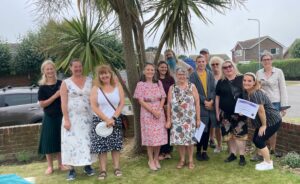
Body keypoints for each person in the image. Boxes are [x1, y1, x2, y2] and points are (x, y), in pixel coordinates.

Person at [60, 59, 96, 180]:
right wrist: (66, 119)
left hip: (87, 117)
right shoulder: (66, 83)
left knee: (87, 142)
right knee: (71, 143)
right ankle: (71, 170)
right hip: (72, 118)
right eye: (75, 67)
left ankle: (88, 166)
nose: (78, 69)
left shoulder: (90, 81)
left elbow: (95, 98)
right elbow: (63, 103)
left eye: (80, 66)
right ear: (70, 68)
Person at [90, 65, 125, 180]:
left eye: (106, 73)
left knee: (115, 146)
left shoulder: (117, 86)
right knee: (102, 147)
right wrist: (106, 119)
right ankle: (103, 170)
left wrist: (113, 118)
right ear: (99, 76)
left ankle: (116, 168)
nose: (104, 75)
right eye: (102, 74)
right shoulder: (96, 88)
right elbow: (94, 106)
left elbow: (121, 103)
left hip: (115, 119)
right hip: (100, 121)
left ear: (110, 74)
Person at [243, 72, 282, 171]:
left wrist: (264, 125)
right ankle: (266, 160)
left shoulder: (255, 93)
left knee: (259, 140)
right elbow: (253, 109)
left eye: (249, 81)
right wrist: (243, 112)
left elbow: (261, 110)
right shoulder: (250, 92)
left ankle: (268, 163)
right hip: (265, 121)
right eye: (244, 80)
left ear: (254, 82)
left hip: (272, 121)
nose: (246, 82)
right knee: (256, 139)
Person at [134, 63, 168, 171]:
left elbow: (163, 97)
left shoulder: (158, 83)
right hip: (147, 113)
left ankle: (156, 158)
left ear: (154, 71)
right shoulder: (140, 84)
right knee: (150, 138)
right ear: (144, 71)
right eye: (148, 70)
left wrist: (159, 109)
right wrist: (153, 111)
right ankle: (150, 159)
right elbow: (140, 100)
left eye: (152, 70)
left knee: (159, 137)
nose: (150, 71)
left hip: (159, 112)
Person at [255, 51, 288, 159]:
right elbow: (256, 87)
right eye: (264, 60)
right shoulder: (258, 73)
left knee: (273, 127)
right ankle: (260, 152)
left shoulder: (278, 72)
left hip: (275, 103)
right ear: (261, 61)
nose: (267, 61)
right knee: (261, 126)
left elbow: (283, 88)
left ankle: (272, 149)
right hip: (262, 103)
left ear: (271, 60)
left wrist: (284, 106)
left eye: (268, 59)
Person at [37, 60, 68, 175]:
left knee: (60, 140)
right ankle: (50, 166)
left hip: (61, 116)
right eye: (47, 69)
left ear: (55, 70)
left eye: (51, 69)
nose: (50, 71)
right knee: (48, 142)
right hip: (49, 117)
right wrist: (55, 96)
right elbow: (42, 104)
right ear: (44, 71)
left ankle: (61, 164)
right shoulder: (42, 87)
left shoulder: (62, 83)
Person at [166, 67, 200, 169]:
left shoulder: (192, 86)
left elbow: (197, 103)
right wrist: (168, 119)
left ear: (187, 75)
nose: (181, 76)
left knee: (189, 141)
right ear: (176, 75)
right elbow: (168, 104)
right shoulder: (172, 88)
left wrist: (198, 119)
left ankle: (190, 160)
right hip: (176, 119)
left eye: (183, 74)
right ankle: (182, 160)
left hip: (190, 119)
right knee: (179, 141)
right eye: (179, 74)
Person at [215, 60, 248, 166]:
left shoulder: (242, 79)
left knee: (240, 135)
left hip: (240, 114)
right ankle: (233, 154)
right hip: (225, 114)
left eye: (230, 66)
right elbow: (217, 98)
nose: (228, 68)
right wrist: (217, 112)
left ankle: (242, 156)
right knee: (229, 135)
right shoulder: (221, 82)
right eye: (225, 67)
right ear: (222, 70)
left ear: (234, 67)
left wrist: (246, 110)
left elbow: (249, 94)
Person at [189, 55, 216, 161]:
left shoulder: (210, 74)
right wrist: (204, 100)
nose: (201, 63)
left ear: (206, 62)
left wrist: (211, 101)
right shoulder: (193, 76)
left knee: (207, 129)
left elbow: (214, 89)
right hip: (199, 105)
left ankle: (205, 151)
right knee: (200, 129)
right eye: (199, 62)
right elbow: (192, 90)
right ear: (196, 63)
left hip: (210, 106)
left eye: (203, 61)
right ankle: (198, 151)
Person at [156, 61, 175, 160]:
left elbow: (173, 92)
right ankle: (160, 151)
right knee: (160, 129)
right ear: (158, 68)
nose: (164, 69)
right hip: (158, 107)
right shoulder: (155, 80)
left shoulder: (170, 79)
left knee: (168, 128)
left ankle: (168, 151)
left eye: (165, 67)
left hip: (169, 106)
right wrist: (161, 106)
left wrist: (169, 105)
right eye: (162, 67)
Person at [208, 56, 224, 153]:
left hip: (224, 105)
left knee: (226, 126)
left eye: (217, 64)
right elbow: (209, 91)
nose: (215, 66)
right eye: (213, 64)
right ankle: (219, 145)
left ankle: (231, 148)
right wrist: (211, 102)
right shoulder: (209, 77)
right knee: (217, 126)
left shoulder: (224, 76)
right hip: (213, 106)